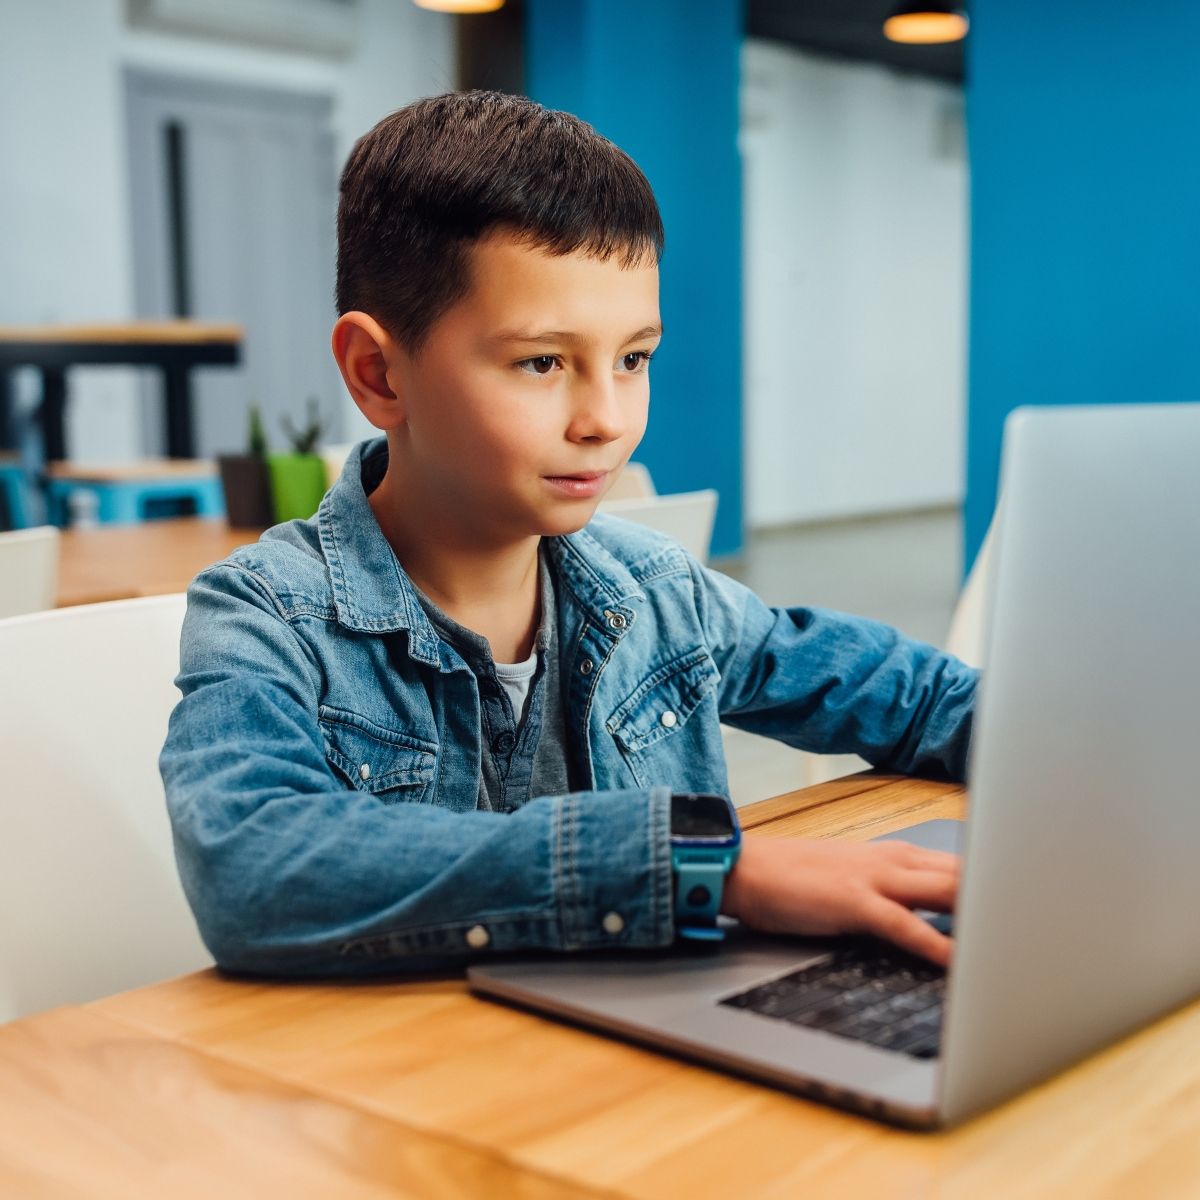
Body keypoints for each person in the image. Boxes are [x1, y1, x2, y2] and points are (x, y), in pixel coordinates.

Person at [161, 91, 976, 980]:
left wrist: (1098, 752)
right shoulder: (266, 615)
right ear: (378, 373)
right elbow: (253, 868)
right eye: (543, 362)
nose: (607, 419)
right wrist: (705, 867)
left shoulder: (657, 591)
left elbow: (915, 699)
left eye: (634, 358)